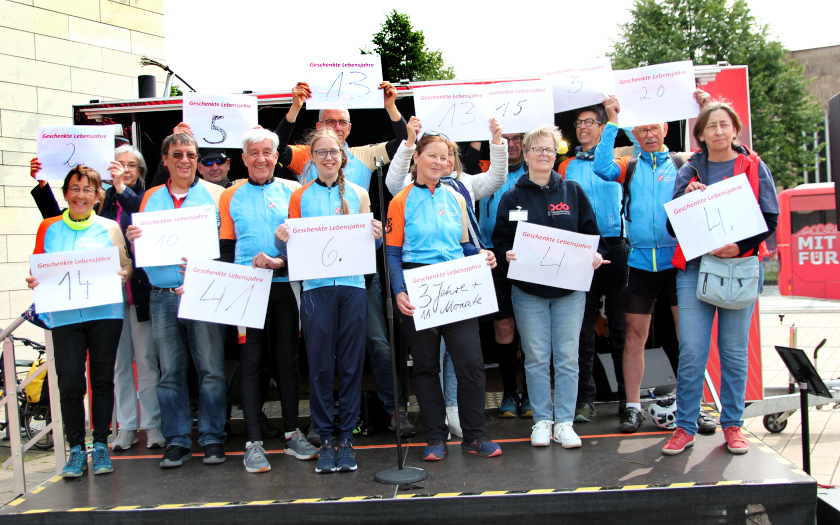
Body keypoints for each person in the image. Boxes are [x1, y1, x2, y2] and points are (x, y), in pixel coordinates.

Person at [274, 81, 414, 436]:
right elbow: (274, 149)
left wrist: (391, 107)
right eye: (329, 121)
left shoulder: (365, 154)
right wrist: (293, 108)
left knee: (378, 346)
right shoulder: (310, 153)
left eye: (342, 122)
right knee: (324, 356)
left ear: (350, 129)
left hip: (358, 275)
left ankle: (395, 410)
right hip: (317, 279)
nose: (337, 127)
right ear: (318, 127)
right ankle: (325, 423)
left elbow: (402, 144)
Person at [662, 101, 779, 456]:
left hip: (738, 267)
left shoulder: (754, 166)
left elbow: (769, 219)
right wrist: (686, 198)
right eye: (710, 126)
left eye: (723, 125)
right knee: (693, 351)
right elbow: (672, 225)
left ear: (735, 130)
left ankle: (733, 426)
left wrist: (740, 247)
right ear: (700, 134)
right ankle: (684, 427)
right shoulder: (690, 169)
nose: (717, 131)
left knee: (733, 351)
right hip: (696, 268)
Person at [29, 148, 164, 451]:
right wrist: (41, 185)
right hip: (101, 304)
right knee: (116, 367)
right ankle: (126, 427)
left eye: (131, 165)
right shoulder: (99, 205)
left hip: (136, 294)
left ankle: (153, 425)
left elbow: (143, 226)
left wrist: (120, 187)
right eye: (119, 164)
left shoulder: (144, 198)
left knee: (146, 361)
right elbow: (61, 219)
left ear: (140, 170)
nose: (125, 168)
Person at [593, 91, 710, 433]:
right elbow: (601, 167)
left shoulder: (683, 163)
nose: (648, 134)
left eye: (653, 128)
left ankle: (694, 405)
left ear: (665, 128)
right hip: (641, 261)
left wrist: (704, 109)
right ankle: (631, 406)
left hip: (678, 260)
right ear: (635, 134)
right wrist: (612, 122)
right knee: (634, 335)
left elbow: (713, 153)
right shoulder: (629, 165)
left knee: (688, 336)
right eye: (641, 129)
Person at [385, 116, 508, 437]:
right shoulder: (400, 200)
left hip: (456, 283)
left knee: (471, 363)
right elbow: (393, 253)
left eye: (446, 156)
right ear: (417, 158)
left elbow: (466, 244)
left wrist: (480, 255)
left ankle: (475, 435)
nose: (440, 162)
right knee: (425, 367)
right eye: (433, 155)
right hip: (419, 284)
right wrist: (399, 291)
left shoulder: (456, 197)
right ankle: (436, 437)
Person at [492, 125, 608, 448]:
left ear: (556, 153)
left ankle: (565, 423)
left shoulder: (573, 192)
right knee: (536, 356)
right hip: (528, 291)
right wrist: (506, 253)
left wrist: (597, 255)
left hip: (570, 291)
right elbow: (499, 241)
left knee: (568, 357)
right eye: (537, 149)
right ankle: (542, 421)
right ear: (526, 155)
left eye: (549, 149)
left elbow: (593, 236)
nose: (544, 155)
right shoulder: (511, 198)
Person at [274, 129, 383, 473]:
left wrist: (378, 239)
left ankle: (347, 440)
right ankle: (325, 440)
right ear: (312, 158)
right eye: (320, 153)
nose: (328, 158)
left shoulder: (360, 193)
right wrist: (280, 242)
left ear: (343, 156)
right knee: (320, 368)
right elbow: (291, 249)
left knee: (351, 366)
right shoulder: (300, 195)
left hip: (352, 287)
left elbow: (369, 248)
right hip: (316, 290)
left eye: (333, 152)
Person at [218, 128, 317, 472]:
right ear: (244, 159)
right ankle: (253, 442)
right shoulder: (230, 195)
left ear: (277, 157)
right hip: (246, 287)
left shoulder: (294, 191)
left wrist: (281, 261)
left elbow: (304, 245)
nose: (261, 158)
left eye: (267, 152)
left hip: (284, 285)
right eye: (254, 153)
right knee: (251, 363)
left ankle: (292, 433)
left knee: (288, 361)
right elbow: (226, 249)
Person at [126, 132, 228, 468]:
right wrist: (133, 239)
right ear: (166, 160)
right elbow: (139, 251)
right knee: (170, 371)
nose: (185, 160)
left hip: (203, 292)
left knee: (211, 369)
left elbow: (223, 247)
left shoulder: (215, 196)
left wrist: (202, 275)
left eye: (190, 154)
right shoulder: (150, 198)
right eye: (178, 154)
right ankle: (178, 440)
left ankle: (213, 437)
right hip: (162, 296)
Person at [27, 164, 133, 477]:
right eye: (75, 188)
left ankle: (100, 446)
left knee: (102, 381)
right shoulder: (49, 227)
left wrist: (121, 274)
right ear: (66, 193)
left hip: (105, 314)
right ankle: (76, 449)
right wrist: (34, 281)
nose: (81, 195)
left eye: (88, 189)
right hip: (65, 315)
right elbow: (38, 269)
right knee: (70, 381)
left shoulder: (108, 228)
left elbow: (126, 266)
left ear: (98, 195)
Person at [558, 105, 627, 423]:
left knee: (620, 326)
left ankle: (629, 397)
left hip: (615, 245)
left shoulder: (617, 160)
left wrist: (616, 116)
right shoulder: (566, 165)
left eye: (590, 122)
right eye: (579, 122)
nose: (583, 127)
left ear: (603, 128)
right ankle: (585, 399)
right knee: (582, 327)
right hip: (581, 249)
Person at [477, 131, 531, 418]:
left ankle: (532, 394)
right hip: (494, 258)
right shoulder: (483, 171)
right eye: (505, 138)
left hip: (529, 257)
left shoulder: (535, 170)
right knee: (504, 326)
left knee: (531, 328)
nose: (511, 144)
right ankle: (510, 392)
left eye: (517, 138)